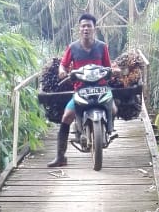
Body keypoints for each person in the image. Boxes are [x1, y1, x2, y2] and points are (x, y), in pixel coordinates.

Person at [47, 13, 114, 168]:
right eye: (83, 26)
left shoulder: (102, 47)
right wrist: (62, 71)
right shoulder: (72, 48)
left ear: (94, 29)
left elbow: (108, 66)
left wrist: (112, 71)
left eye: (89, 26)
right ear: (79, 29)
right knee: (66, 116)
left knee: (114, 108)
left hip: (101, 88)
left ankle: (108, 129)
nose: (86, 29)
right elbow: (63, 65)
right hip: (81, 89)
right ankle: (60, 156)